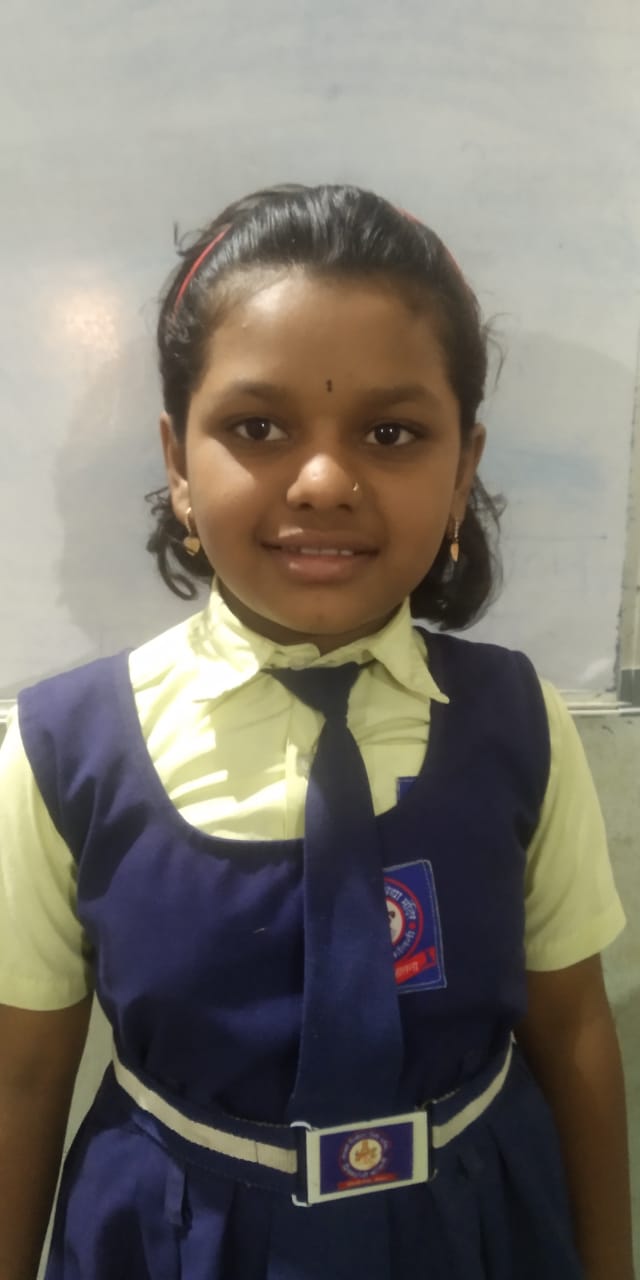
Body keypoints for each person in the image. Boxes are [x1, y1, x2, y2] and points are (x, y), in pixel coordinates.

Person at [0, 183, 634, 1280]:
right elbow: (20, 1077)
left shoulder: (517, 721)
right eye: (257, 428)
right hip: (177, 1241)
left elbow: (573, 1022)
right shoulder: (63, 755)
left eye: (392, 433)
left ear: (463, 467)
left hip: (472, 1233)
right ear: (177, 462)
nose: (327, 480)